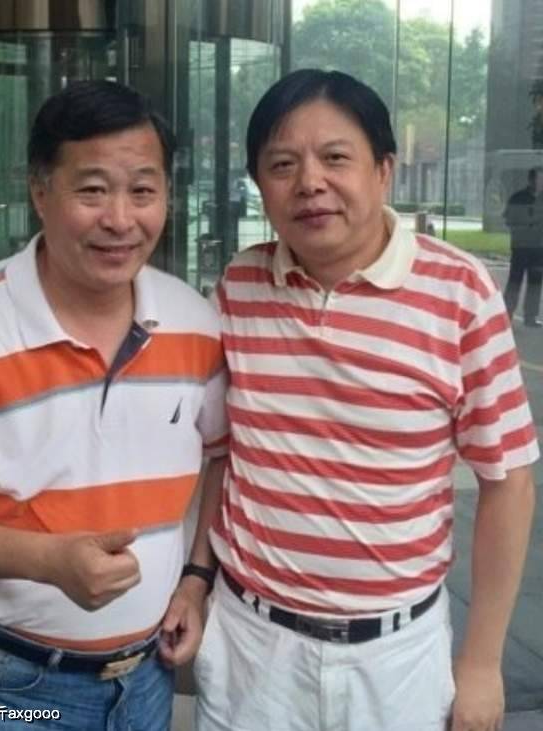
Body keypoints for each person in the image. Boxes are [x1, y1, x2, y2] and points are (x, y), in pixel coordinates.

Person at [184, 69, 538, 731]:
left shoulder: (459, 292)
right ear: (260, 184)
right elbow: (225, 456)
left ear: (383, 170)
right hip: (252, 647)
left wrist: (482, 662)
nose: (309, 182)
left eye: (335, 157)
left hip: (395, 657)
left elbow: (509, 482)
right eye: (282, 164)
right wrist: (195, 578)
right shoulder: (239, 286)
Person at [0, 80, 228, 730]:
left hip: (147, 678)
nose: (120, 219)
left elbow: (221, 456)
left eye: (143, 191)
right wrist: (47, 561)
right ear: (39, 191)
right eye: (92, 190)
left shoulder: (195, 323)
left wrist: (196, 577)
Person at [503, 166, 543, 327]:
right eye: (540, 179)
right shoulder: (517, 198)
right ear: (531, 180)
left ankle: (530, 317)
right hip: (521, 247)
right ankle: (506, 315)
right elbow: (508, 220)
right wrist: (527, 224)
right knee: (515, 281)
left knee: (535, 282)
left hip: (539, 248)